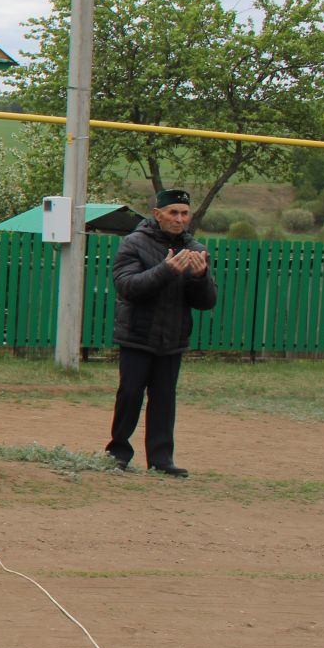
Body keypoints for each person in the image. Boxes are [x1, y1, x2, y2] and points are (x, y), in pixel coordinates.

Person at [106, 188, 217, 477]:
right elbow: (128, 287)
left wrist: (200, 277)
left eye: (184, 213)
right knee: (130, 394)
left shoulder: (196, 249)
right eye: (173, 213)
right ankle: (118, 452)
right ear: (157, 214)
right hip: (137, 334)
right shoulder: (133, 243)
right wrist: (166, 270)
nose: (179, 219)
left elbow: (207, 302)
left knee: (165, 399)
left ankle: (161, 459)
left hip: (173, 338)